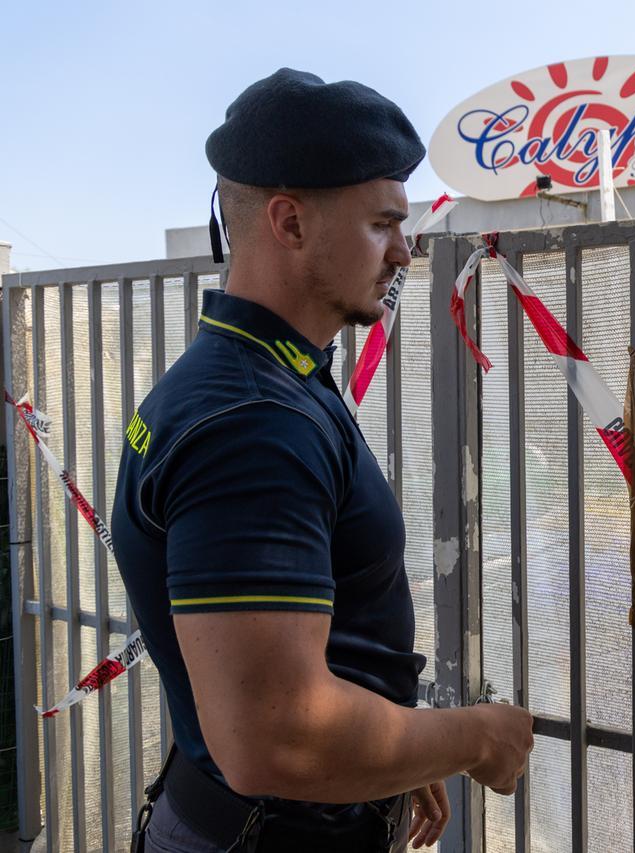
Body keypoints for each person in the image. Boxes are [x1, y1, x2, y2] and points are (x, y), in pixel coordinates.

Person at [112, 68, 533, 852]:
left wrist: (395, 749)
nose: (405, 249)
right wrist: (473, 736)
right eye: (382, 223)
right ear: (290, 222)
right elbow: (276, 739)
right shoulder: (255, 423)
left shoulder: (257, 373)